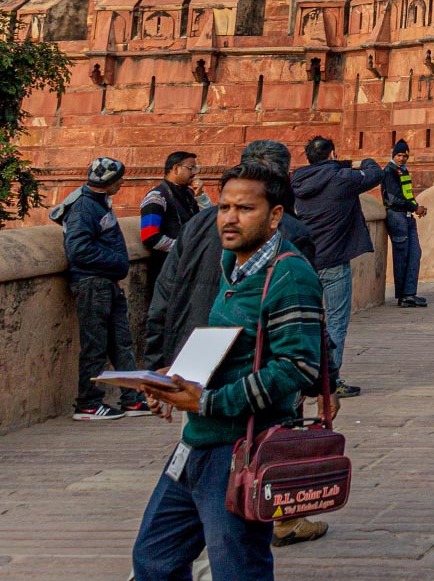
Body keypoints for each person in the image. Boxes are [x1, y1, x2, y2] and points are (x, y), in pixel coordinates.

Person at [130, 159, 327, 581]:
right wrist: (175, 377)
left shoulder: (289, 275)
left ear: (275, 215)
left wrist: (209, 400)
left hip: (240, 448)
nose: (230, 218)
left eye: (245, 209)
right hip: (196, 443)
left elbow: (298, 367)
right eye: (224, 208)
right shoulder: (232, 265)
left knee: (238, 570)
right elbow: (233, 348)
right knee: (154, 560)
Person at [291, 136, 382, 398]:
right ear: (331, 155)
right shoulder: (341, 179)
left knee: (302, 322)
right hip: (333, 261)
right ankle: (330, 380)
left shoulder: (296, 182)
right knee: (336, 322)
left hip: (303, 260)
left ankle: (299, 379)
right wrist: (353, 161)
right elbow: (374, 173)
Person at [63, 156, 149, 421]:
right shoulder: (84, 208)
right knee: (95, 345)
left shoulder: (97, 204)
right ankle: (88, 404)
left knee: (121, 343)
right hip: (93, 283)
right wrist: (116, 262)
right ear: (110, 182)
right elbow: (77, 250)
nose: (122, 183)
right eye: (119, 179)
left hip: (105, 283)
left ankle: (132, 399)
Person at [139, 151, 203, 288]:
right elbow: (149, 236)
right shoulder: (156, 197)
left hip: (188, 267)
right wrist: (183, 249)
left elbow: (208, 220)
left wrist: (201, 196)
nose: (194, 173)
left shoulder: (189, 194)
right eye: (191, 168)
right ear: (175, 168)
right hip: (166, 269)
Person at [381, 139, 427, 307]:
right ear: (394, 155)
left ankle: (409, 293)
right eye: (399, 155)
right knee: (402, 256)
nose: (401, 158)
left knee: (414, 254)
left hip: (406, 216)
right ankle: (403, 296)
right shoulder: (389, 172)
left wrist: (414, 207)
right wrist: (416, 207)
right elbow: (394, 198)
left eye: (404, 156)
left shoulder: (403, 171)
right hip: (396, 216)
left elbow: (406, 194)